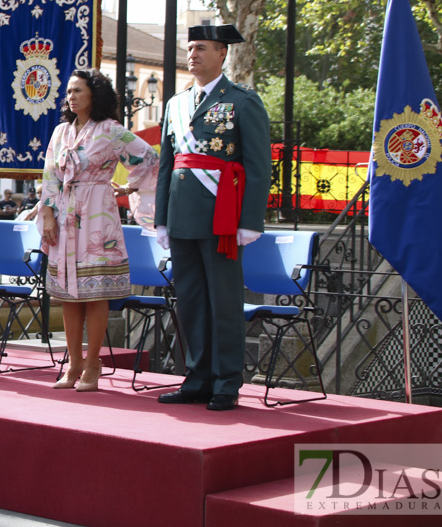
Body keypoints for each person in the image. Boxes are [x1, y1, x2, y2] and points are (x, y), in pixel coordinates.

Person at [154, 25, 272, 411]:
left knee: (223, 302)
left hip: (221, 216)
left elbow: (257, 165)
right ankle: (197, 377)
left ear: (222, 53)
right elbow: (167, 166)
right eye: (189, 49)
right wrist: (161, 218)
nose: (193, 55)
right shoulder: (175, 104)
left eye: (201, 48)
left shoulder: (242, 100)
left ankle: (225, 382)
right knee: (189, 301)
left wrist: (250, 220)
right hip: (182, 214)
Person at [38, 69, 159, 391]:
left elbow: (149, 158)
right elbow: (49, 176)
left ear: (95, 94)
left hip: (97, 213)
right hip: (64, 214)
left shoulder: (110, 130)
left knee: (96, 293)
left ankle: (93, 362)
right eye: (69, 92)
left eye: (78, 90)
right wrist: (47, 216)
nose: (71, 96)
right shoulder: (61, 132)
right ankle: (73, 362)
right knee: (67, 293)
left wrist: (129, 187)